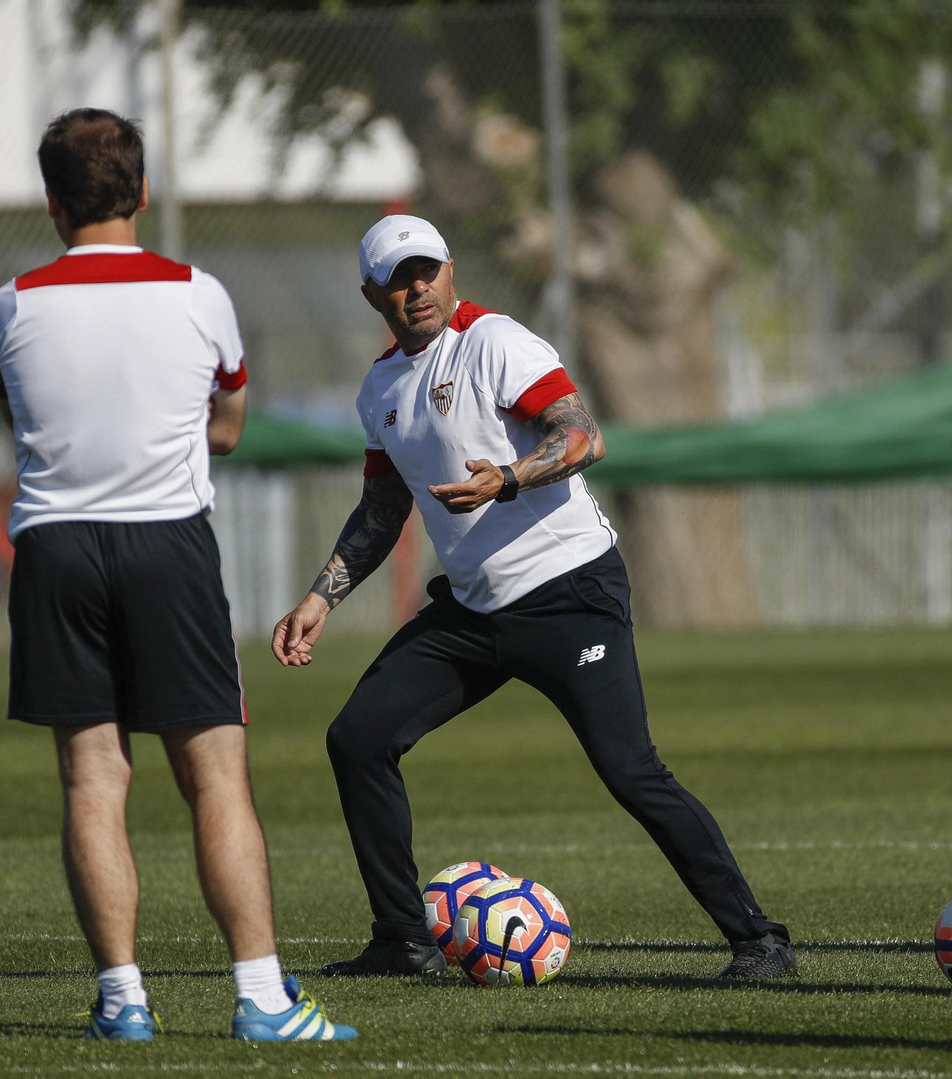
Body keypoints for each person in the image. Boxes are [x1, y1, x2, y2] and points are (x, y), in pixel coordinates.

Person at [271, 215, 794, 980]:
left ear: (450, 270)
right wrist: (323, 595)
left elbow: (583, 436)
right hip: (472, 611)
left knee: (629, 769)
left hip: (569, 592)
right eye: (398, 278)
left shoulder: (496, 341)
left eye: (427, 270)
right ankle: (404, 941)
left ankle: (760, 940)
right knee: (357, 737)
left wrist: (509, 476)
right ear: (370, 294)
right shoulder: (380, 388)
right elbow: (383, 510)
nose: (416, 288)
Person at [0, 109, 355, 1042]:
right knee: (216, 776)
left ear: (53, 201)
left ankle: (124, 1000)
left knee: (92, 779)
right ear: (143, 191)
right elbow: (226, 423)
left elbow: (18, 417)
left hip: (57, 547)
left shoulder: (13, 303)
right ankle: (264, 999)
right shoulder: (199, 292)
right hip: (167, 544)